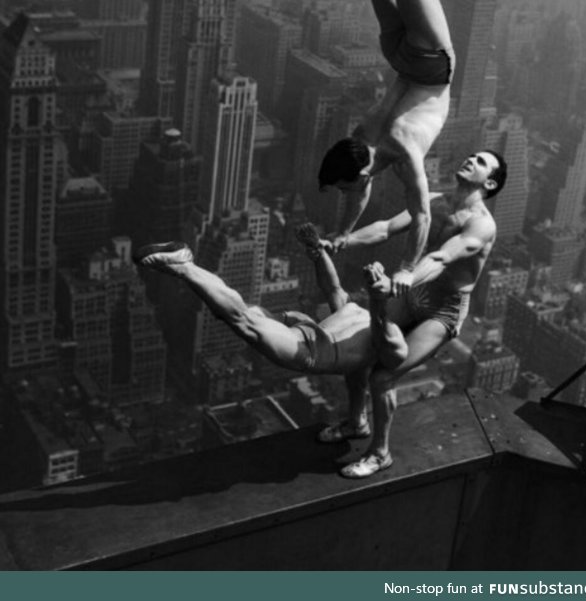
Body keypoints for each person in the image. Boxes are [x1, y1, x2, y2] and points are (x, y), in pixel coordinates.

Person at [135, 149, 507, 478]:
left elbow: (441, 257)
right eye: (473, 155)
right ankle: (356, 422)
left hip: (441, 309)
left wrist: (400, 280)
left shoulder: (482, 226)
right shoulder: (438, 202)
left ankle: (380, 453)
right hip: (411, 291)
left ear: (489, 182)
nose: (471, 159)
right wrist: (341, 240)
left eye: (481, 162)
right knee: (361, 349)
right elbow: (385, 228)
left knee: (383, 375)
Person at [316, 0, 455, 296]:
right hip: (400, 56)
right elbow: (365, 197)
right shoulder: (359, 139)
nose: (345, 192)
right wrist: (341, 234)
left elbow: (421, 214)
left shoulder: (395, 148)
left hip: (429, 64)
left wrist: (407, 268)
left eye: (341, 186)